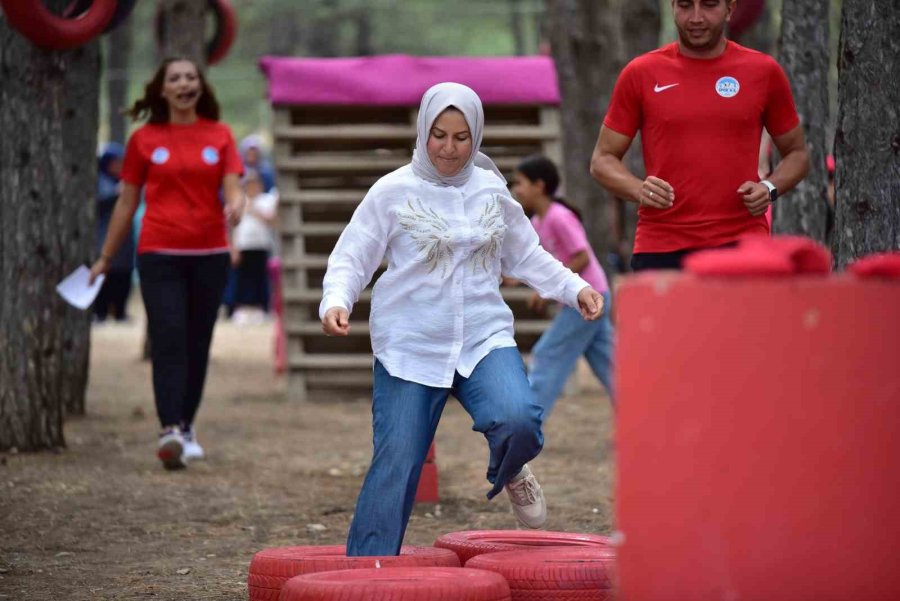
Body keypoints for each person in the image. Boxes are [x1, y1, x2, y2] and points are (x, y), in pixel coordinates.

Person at [320, 83, 605, 556]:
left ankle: (511, 467)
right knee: (397, 462)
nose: (448, 149)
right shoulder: (391, 191)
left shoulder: (491, 189)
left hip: (482, 337)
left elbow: (526, 255)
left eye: (460, 137)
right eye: (438, 135)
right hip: (411, 345)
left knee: (519, 421)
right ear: (422, 132)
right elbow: (352, 256)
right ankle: (366, 572)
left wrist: (575, 288)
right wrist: (337, 300)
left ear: (476, 137)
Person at [89, 57, 244, 470]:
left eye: (190, 77)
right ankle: (169, 429)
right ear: (162, 89)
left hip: (209, 255)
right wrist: (105, 257)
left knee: (198, 343)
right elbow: (126, 201)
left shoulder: (220, 134)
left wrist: (236, 206)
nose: (183, 84)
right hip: (159, 254)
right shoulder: (144, 140)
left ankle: (186, 427)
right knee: (169, 336)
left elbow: (234, 188)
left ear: (200, 87)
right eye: (174, 78)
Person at [590, 0, 810, 271]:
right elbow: (602, 159)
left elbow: (797, 154)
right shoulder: (641, 73)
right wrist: (638, 189)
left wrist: (769, 188)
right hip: (661, 245)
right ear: (672, 7)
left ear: (730, 9)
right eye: (684, 6)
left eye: (708, 6)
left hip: (743, 243)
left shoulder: (763, 71)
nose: (695, 17)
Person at [511, 155, 615, 418]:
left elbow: (581, 256)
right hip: (586, 298)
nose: (516, 190)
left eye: (520, 183)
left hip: (589, 297)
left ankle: (528, 423)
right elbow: (540, 263)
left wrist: (545, 293)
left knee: (547, 354)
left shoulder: (559, 217)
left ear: (539, 186)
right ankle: (643, 414)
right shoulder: (537, 222)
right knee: (610, 362)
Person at [93, 142, 135, 323]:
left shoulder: (124, 182)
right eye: (118, 162)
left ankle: (120, 311)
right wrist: (116, 193)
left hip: (125, 242)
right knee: (104, 277)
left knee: (123, 277)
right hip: (103, 238)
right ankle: (100, 311)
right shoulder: (99, 181)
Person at [231, 169, 278, 325]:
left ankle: (262, 308)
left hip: (261, 245)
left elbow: (272, 220)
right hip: (244, 245)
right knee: (243, 279)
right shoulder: (239, 201)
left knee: (260, 278)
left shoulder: (266, 200)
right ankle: (242, 309)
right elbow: (234, 225)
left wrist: (254, 210)